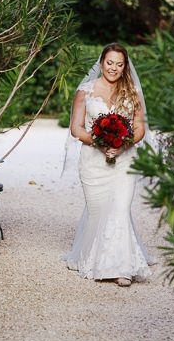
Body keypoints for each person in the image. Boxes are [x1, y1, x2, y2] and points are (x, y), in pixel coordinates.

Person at [62, 43, 156, 287]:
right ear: (102, 62)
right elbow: (76, 129)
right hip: (93, 161)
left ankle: (121, 267)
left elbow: (139, 128)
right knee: (98, 211)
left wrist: (122, 145)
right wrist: (100, 143)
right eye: (110, 62)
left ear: (125, 67)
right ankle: (91, 258)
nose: (113, 68)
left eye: (119, 64)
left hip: (124, 160)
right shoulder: (85, 90)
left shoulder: (132, 91)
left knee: (120, 209)